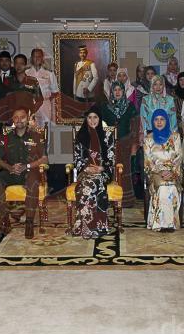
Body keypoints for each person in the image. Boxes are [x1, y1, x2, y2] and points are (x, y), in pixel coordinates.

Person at [0, 107, 48, 239]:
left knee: (33, 182)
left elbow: (44, 159)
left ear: (27, 119)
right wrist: (9, 167)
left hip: (29, 171)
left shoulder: (36, 136)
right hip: (11, 172)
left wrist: (26, 166)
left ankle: (29, 222)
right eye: (16, 117)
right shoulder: (6, 137)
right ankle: (4, 222)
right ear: (13, 120)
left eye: (22, 117)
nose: (19, 120)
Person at [69, 106, 114, 239]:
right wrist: (87, 168)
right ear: (86, 119)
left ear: (100, 119)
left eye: (95, 117)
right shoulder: (81, 136)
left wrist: (101, 168)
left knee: (91, 184)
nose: (92, 120)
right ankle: (90, 227)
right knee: (87, 185)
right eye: (89, 117)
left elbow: (111, 158)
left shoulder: (107, 136)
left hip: (102, 172)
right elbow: (76, 159)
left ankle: (90, 226)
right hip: (85, 172)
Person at [101, 80, 140, 207]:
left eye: (120, 90)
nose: (117, 92)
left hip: (126, 144)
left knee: (124, 171)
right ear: (111, 92)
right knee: (111, 170)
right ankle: (111, 199)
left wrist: (133, 143)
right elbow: (102, 125)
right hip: (110, 144)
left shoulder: (130, 106)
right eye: (115, 90)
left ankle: (125, 200)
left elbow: (135, 125)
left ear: (123, 91)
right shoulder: (105, 107)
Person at [144, 109, 182, 232]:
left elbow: (179, 157)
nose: (159, 122)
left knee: (171, 185)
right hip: (155, 172)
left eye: (162, 119)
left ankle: (170, 223)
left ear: (167, 121)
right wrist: (159, 172)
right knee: (162, 186)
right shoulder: (148, 139)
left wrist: (171, 171)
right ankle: (161, 223)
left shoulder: (175, 137)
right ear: (152, 122)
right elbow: (147, 161)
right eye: (156, 119)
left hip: (173, 171)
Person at [25, 48, 59, 127]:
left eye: (39, 56)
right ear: (31, 58)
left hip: (44, 105)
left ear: (42, 58)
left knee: (45, 129)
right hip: (30, 105)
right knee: (30, 128)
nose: (37, 58)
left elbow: (55, 92)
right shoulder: (26, 73)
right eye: (35, 56)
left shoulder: (49, 74)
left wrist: (46, 99)